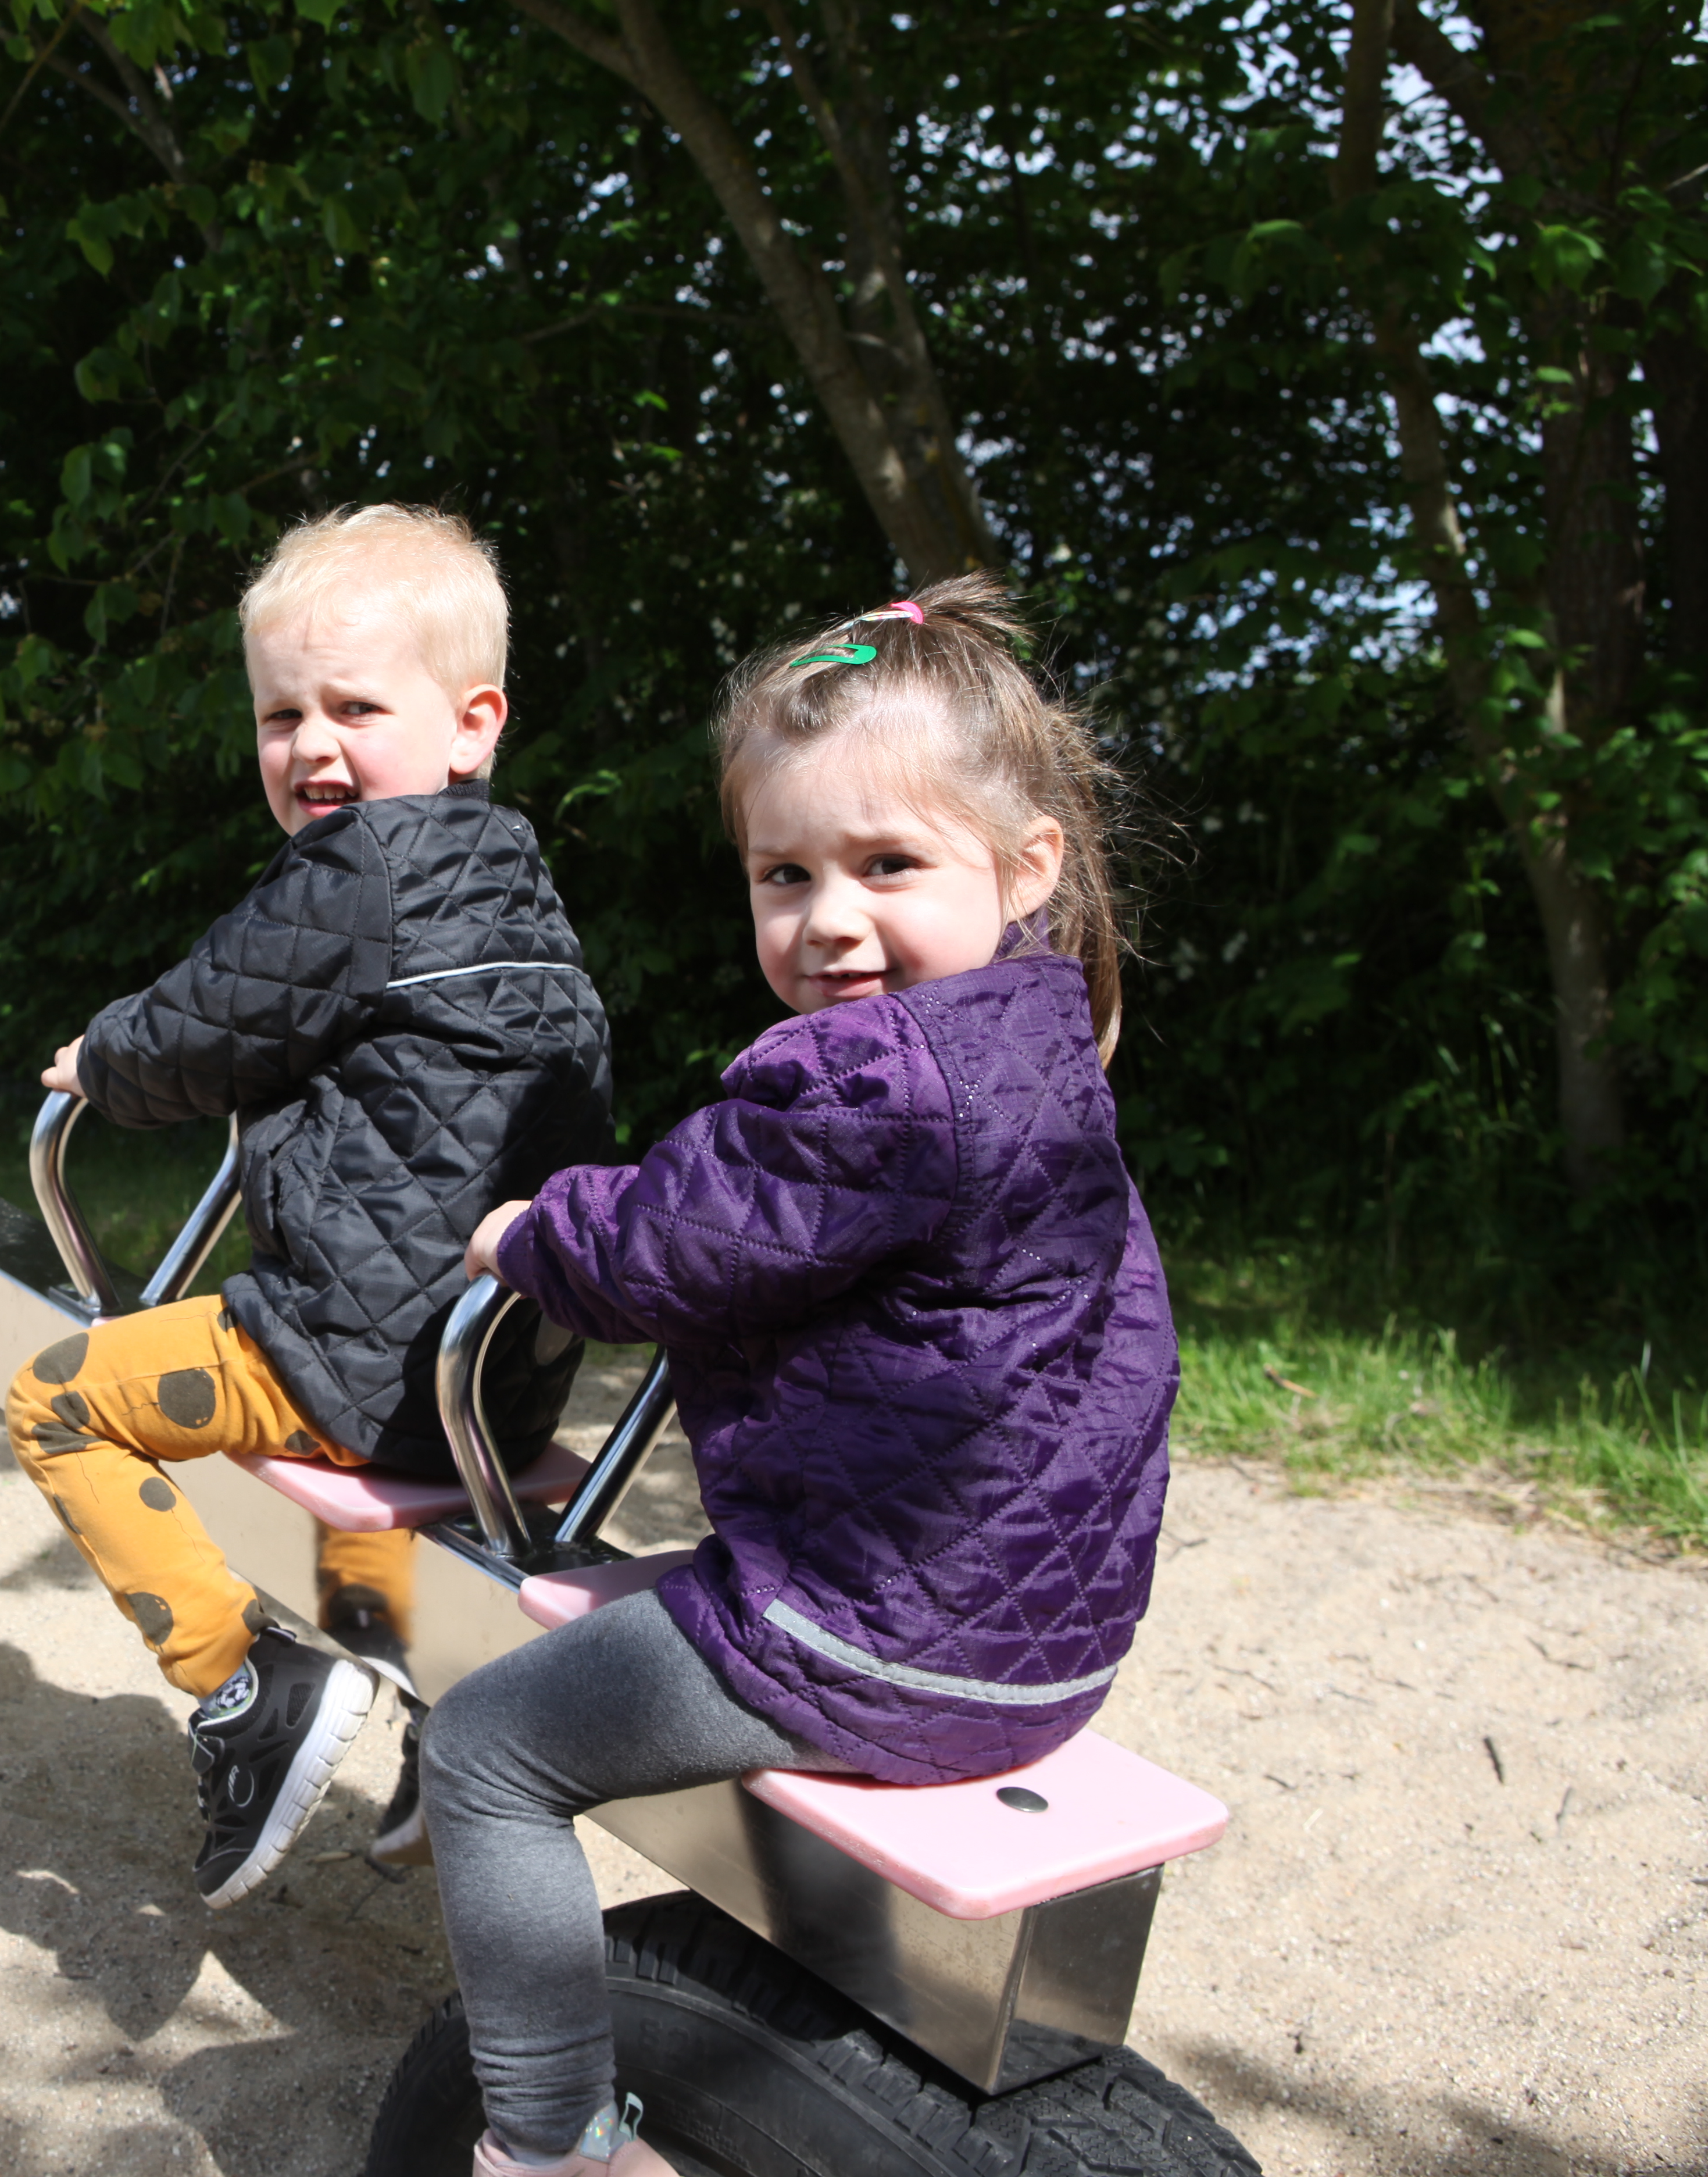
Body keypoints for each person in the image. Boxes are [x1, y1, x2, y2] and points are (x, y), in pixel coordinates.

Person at [424, 577, 1176, 2177]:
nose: (828, 915)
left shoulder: (888, 1083)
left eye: (886, 863)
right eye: (786, 873)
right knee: (618, 1607)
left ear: (1027, 864)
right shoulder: (1044, 1048)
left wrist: (529, 1230)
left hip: (889, 1647)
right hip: (1049, 1644)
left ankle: (549, 2144)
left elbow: (665, 1246)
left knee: (483, 1750)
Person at [3, 506, 615, 1908]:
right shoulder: (515, 876)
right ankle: (438, 1704)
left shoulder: (359, 869)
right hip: (495, 1381)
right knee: (369, 1502)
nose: (312, 747)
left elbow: (209, 1021)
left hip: (354, 1354)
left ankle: (242, 1685)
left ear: (472, 724)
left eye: (354, 708)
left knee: (57, 1399)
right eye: (282, 715)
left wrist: (103, 1059)